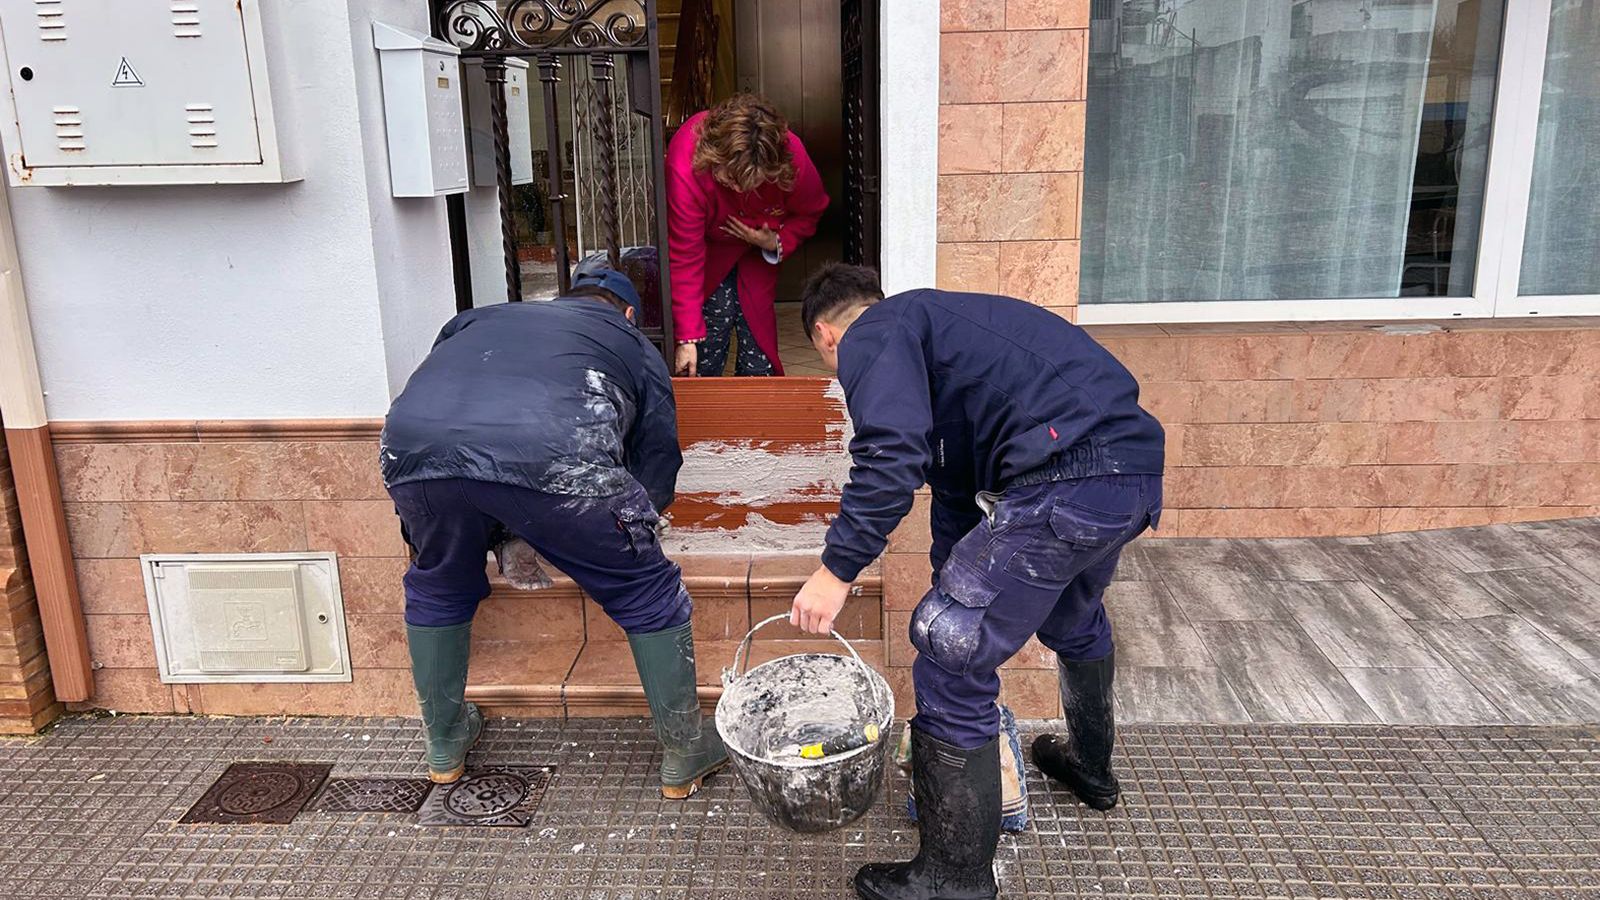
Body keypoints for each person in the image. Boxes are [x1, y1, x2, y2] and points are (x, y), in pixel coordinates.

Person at [787, 265, 1166, 900]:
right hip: (1127, 477)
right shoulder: (946, 345)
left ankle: (954, 879)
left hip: (1063, 476)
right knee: (1072, 618)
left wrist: (836, 571)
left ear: (826, 336)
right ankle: (1091, 769)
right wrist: (953, 584)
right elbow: (959, 496)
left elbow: (889, 456)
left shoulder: (873, 332)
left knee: (950, 660)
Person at [380, 268, 726, 798]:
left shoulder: (474, 320)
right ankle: (684, 750)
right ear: (628, 313)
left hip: (412, 449)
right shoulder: (628, 339)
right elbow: (657, 452)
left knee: (438, 583)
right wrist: (634, 529)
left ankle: (444, 744)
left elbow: (456, 409)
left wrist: (490, 530)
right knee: (647, 591)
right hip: (552, 451)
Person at [666, 93, 830, 376]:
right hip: (706, 255)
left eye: (751, 183)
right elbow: (684, 254)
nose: (739, 191)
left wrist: (774, 241)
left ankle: (758, 411)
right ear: (713, 158)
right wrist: (686, 337)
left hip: (758, 254)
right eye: (731, 180)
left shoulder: (793, 155)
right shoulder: (685, 160)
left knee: (759, 350)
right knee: (704, 346)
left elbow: (811, 211)